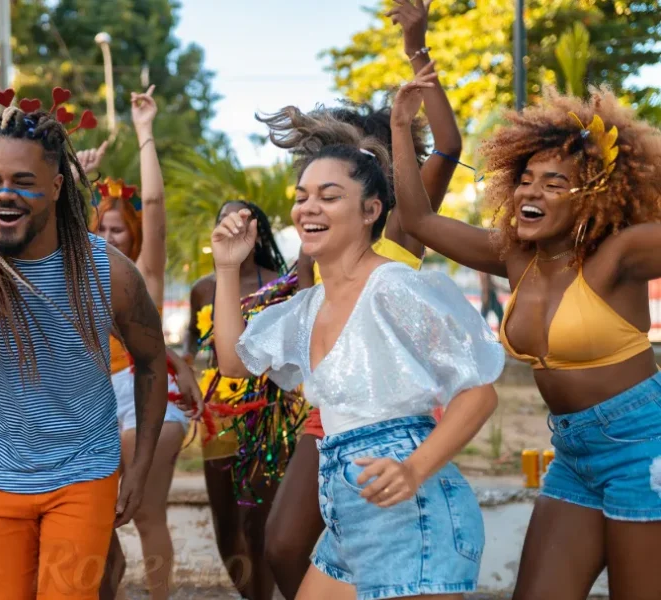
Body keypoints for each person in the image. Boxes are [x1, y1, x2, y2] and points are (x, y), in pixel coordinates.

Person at [213, 101, 503, 600]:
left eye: (329, 196)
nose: (308, 208)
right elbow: (234, 363)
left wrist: (414, 468)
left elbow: (479, 394)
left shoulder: (394, 288)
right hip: (346, 512)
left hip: (414, 516)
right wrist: (225, 268)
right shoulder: (307, 307)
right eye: (302, 197)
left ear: (371, 210)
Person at [392, 64, 661, 597]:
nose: (529, 192)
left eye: (554, 182)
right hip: (573, 453)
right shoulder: (517, 256)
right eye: (525, 179)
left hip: (643, 446)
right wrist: (403, 128)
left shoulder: (620, 256)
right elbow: (419, 222)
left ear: (593, 195)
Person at [0, 102, 170, 600]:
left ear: (58, 186)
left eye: (23, 181)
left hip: (85, 474)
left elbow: (151, 361)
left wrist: (141, 467)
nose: (4, 193)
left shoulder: (110, 272)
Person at [261, 3, 464, 595]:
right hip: (327, 414)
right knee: (282, 542)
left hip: (394, 415)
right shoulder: (318, 245)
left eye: (377, 156)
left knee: (385, 543)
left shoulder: (403, 224)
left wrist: (416, 45)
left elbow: (448, 142)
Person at [87, 88, 202, 600]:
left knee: (144, 514)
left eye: (120, 230)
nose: (112, 237)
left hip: (143, 402)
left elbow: (153, 205)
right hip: (94, 402)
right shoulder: (77, 274)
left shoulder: (144, 276)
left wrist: (145, 131)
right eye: (102, 228)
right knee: (92, 518)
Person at [184, 200, 288, 600]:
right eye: (224, 219)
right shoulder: (202, 289)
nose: (234, 226)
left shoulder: (279, 283)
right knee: (225, 520)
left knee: (256, 519)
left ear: (257, 232)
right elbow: (194, 345)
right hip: (218, 412)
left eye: (245, 220)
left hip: (271, 411)